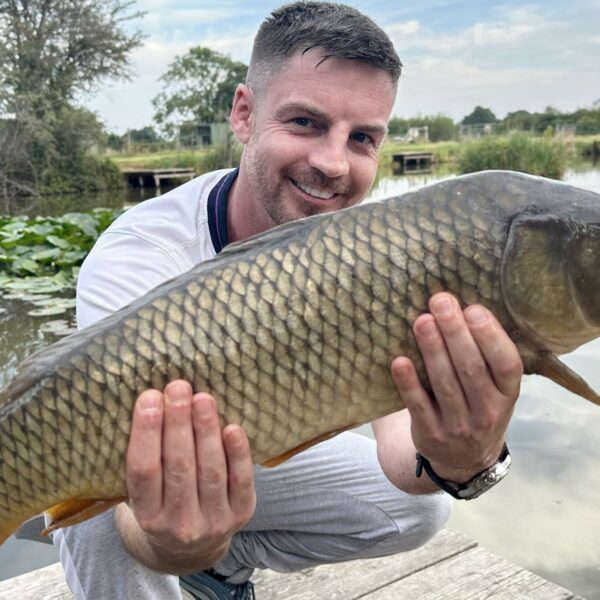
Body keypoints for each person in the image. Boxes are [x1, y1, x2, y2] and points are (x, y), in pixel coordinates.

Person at [51, 2, 522, 599]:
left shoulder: (378, 249)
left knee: (423, 509)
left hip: (244, 453)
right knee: (90, 507)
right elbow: (130, 512)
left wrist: (464, 457)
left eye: (362, 139)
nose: (331, 162)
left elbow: (405, 458)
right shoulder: (141, 254)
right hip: (130, 466)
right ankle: (194, 560)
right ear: (245, 115)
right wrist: (180, 543)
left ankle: (222, 562)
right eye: (304, 122)